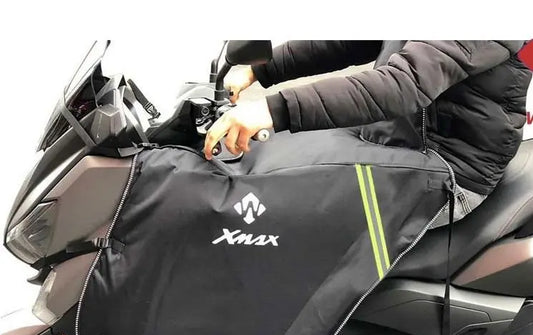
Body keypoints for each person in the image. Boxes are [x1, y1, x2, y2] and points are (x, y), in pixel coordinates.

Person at [204, 40, 531, 227]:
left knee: (288, 211)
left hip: (445, 168)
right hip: (396, 140)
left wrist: (272, 110)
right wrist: (260, 69)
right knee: (270, 166)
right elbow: (350, 42)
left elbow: (404, 84)